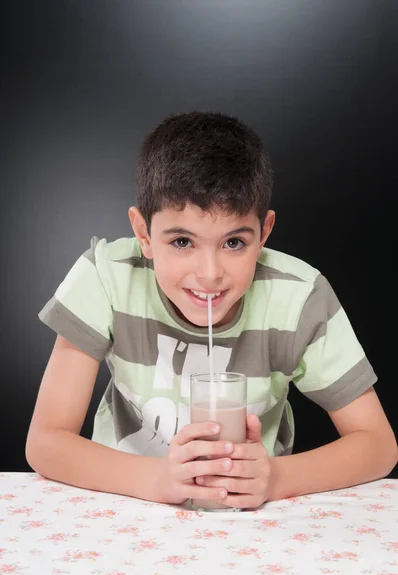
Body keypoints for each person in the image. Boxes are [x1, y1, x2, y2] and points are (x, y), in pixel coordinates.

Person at [26, 111, 397, 510]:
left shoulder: (299, 297)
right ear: (143, 234)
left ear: (264, 233)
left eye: (234, 243)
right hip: (127, 509)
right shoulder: (107, 276)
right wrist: (157, 479)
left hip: (249, 522)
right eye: (182, 242)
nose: (209, 275)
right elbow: (45, 441)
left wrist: (274, 478)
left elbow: (378, 445)